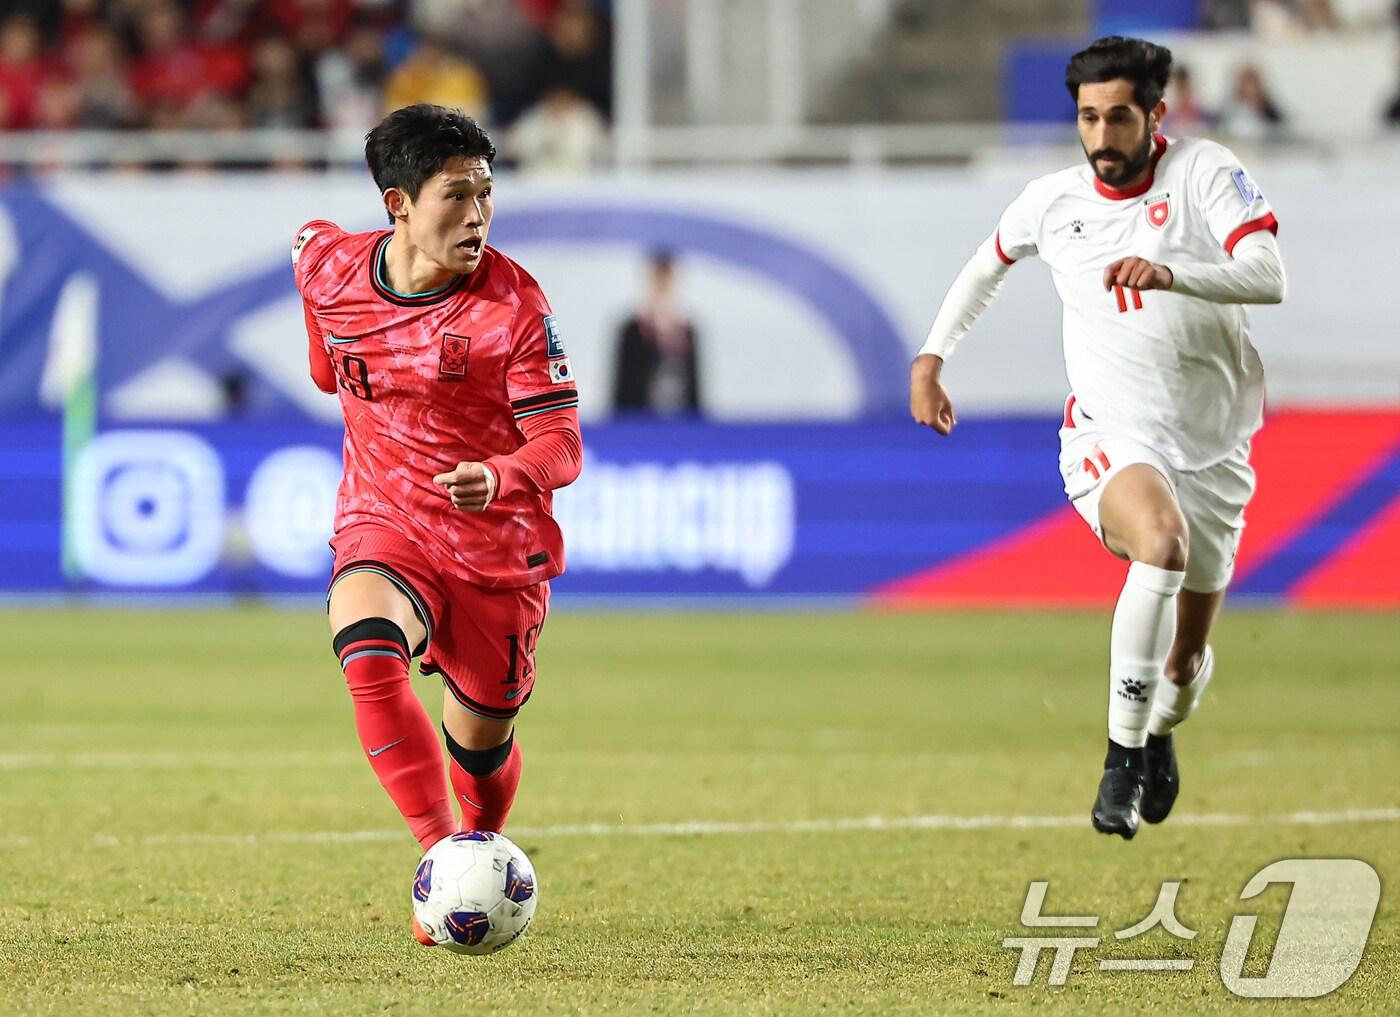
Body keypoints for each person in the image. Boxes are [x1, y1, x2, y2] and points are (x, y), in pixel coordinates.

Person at [909, 37, 1285, 840]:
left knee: (1183, 666)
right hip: (1110, 433)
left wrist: (1173, 272)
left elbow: (1268, 274)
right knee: (1161, 540)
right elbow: (987, 265)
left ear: (1156, 113)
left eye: (1120, 117)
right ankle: (1121, 756)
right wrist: (932, 357)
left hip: (1216, 447)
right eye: (1088, 118)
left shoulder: (1205, 175)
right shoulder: (1055, 201)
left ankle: (1157, 728)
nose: (1103, 136)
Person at [292, 104, 582, 941]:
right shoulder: (332, 267)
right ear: (399, 206)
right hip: (386, 520)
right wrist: (326, 361)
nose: (478, 214)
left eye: (487, 194)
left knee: (481, 750)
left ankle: (476, 827)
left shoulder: (514, 307)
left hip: (496, 548)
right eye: (456, 195)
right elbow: (308, 259)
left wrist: (502, 474)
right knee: (365, 639)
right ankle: (441, 858)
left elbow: (562, 443)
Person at [611, 251, 703, 415]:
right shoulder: (631, 331)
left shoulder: (688, 332)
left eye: (666, 278)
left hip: (682, 428)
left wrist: (672, 341)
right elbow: (622, 394)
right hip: (639, 425)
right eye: (657, 278)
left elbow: (696, 396)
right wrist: (651, 339)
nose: (662, 285)